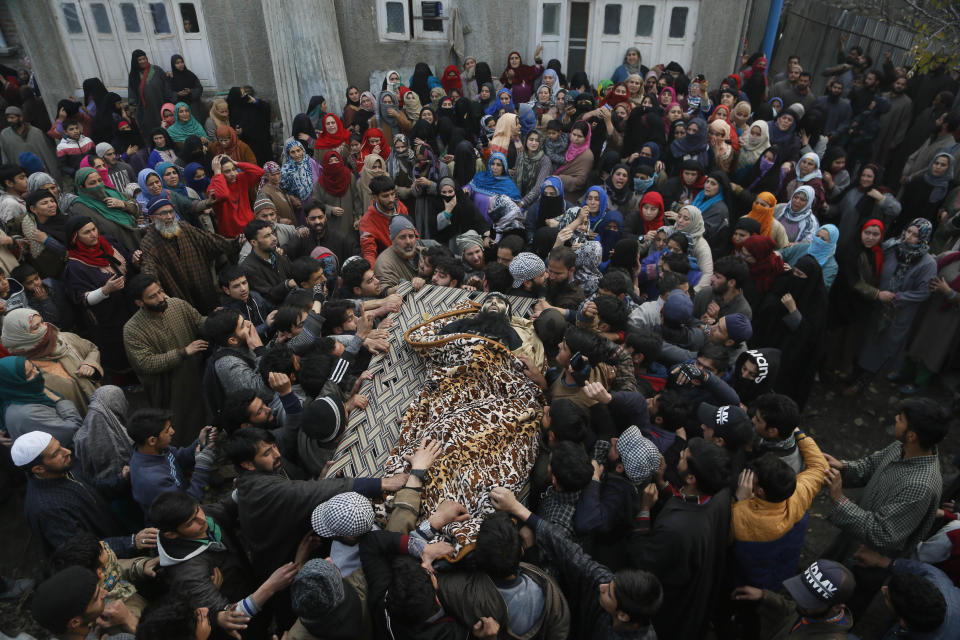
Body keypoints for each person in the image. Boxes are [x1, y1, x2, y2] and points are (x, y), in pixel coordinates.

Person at [822, 397, 949, 614]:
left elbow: (882, 533)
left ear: (912, 435)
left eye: (900, 419)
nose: (895, 420)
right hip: (851, 538)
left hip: (867, 561)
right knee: (821, 587)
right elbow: (870, 465)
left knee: (838, 610)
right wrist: (843, 468)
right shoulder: (901, 447)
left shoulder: (920, 486)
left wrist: (839, 500)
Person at [12, 430, 157, 555]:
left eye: (60, 445)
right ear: (39, 469)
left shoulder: (64, 468)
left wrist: (122, 480)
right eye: (56, 453)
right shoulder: (46, 509)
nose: (67, 451)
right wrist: (130, 543)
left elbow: (95, 489)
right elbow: (81, 550)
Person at [847, 219, 936, 394]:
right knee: (866, 339)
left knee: (884, 345)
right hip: (877, 304)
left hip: (898, 312)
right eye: (908, 231)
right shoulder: (892, 248)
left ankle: (864, 381)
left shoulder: (927, 264)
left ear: (924, 238)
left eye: (915, 235)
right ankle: (855, 373)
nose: (909, 237)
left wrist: (897, 297)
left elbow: (924, 292)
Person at [123, 274, 208, 445]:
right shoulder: (132, 330)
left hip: (195, 379)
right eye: (153, 296)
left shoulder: (177, 305)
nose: (161, 298)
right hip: (168, 391)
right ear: (140, 302)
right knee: (179, 430)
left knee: (205, 418)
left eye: (160, 292)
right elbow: (145, 363)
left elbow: (200, 323)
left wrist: (219, 321)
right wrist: (183, 352)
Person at [139, 195, 236, 314]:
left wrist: (237, 242)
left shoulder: (184, 227)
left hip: (203, 288)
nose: (169, 217)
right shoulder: (149, 242)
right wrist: (158, 292)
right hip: (178, 294)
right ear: (152, 218)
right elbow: (149, 269)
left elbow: (210, 241)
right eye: (163, 214)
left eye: (171, 212)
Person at [731, 559, 856, 639]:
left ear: (837, 607)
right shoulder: (813, 612)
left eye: (808, 601)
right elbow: (792, 608)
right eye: (802, 593)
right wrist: (765, 596)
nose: (799, 601)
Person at [128, 409, 215, 517]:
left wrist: (199, 442)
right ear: (152, 441)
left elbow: (180, 457)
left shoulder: (157, 449)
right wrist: (202, 467)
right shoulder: (152, 481)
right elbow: (185, 509)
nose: (173, 431)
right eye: (167, 430)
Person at [0, 356, 82, 443]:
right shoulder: (27, 415)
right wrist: (59, 401)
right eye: (29, 374)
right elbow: (73, 431)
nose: (37, 372)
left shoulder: (29, 392)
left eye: (33, 366)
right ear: (13, 384)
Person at [71, 166, 142, 253]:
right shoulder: (80, 208)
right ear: (82, 187)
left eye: (100, 180)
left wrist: (124, 205)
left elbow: (138, 210)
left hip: (139, 241)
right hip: (118, 252)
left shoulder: (112, 193)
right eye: (92, 183)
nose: (98, 185)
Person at [208, 154, 264, 238]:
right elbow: (223, 195)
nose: (233, 174)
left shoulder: (240, 178)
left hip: (250, 228)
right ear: (219, 173)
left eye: (234, 169)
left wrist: (237, 163)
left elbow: (259, 172)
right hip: (232, 235)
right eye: (227, 171)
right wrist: (217, 173)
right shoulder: (213, 187)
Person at [241, 219, 296, 305]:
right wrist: (287, 284)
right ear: (254, 242)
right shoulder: (248, 267)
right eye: (267, 236)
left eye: (272, 233)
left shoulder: (278, 255)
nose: (274, 238)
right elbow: (268, 296)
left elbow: (294, 273)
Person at [0, 106, 60, 181]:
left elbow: (47, 156)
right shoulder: (5, 135)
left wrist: (55, 176)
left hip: (41, 174)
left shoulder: (36, 133)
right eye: (8, 118)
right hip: (20, 177)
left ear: (21, 118)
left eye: (12, 118)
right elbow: (5, 158)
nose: (9, 120)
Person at [127, 50, 173, 136]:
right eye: (140, 60)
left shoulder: (157, 70)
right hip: (145, 110)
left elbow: (166, 85)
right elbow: (132, 91)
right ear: (135, 62)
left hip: (161, 105)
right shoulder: (134, 75)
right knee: (151, 130)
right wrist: (133, 108)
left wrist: (169, 100)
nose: (143, 61)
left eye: (144, 58)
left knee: (165, 127)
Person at [374, 215, 419, 292]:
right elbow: (385, 291)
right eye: (402, 237)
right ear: (392, 240)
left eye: (411, 236)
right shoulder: (384, 263)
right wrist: (411, 285)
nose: (408, 241)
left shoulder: (425, 249)